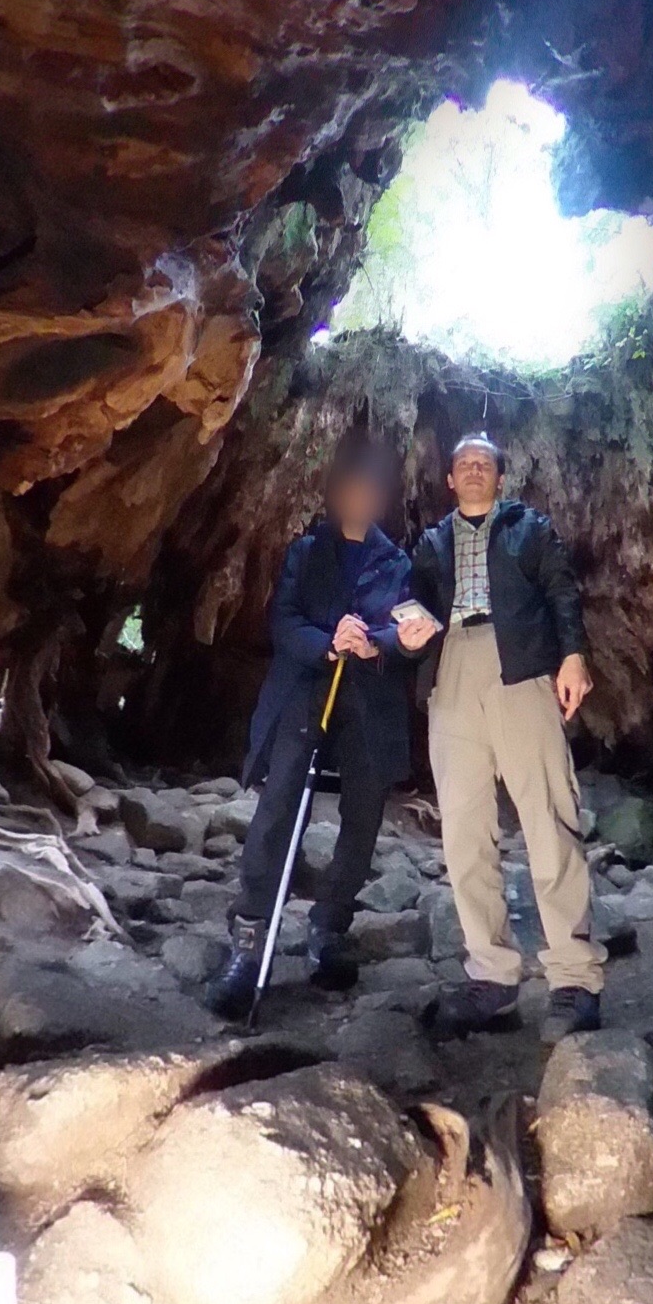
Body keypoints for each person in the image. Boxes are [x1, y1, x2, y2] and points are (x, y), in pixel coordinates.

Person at [399, 433, 605, 1041]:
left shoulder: (529, 529)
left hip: (521, 666)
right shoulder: (431, 543)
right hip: (452, 671)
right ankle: (491, 975)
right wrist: (406, 628)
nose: (472, 471)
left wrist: (574, 657)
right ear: (449, 481)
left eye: (483, 463)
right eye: (462, 463)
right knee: (463, 828)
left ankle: (573, 976)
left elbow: (562, 592)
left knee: (547, 815)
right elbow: (407, 600)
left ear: (498, 477)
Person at [208, 433, 412, 1019]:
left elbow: (406, 635)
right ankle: (249, 941)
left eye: (369, 490)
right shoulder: (306, 551)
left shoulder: (396, 563)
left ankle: (329, 929)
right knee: (278, 809)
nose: (359, 498)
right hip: (306, 696)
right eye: (351, 487)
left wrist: (378, 643)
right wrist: (328, 644)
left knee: (363, 815)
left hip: (367, 706)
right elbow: (285, 621)